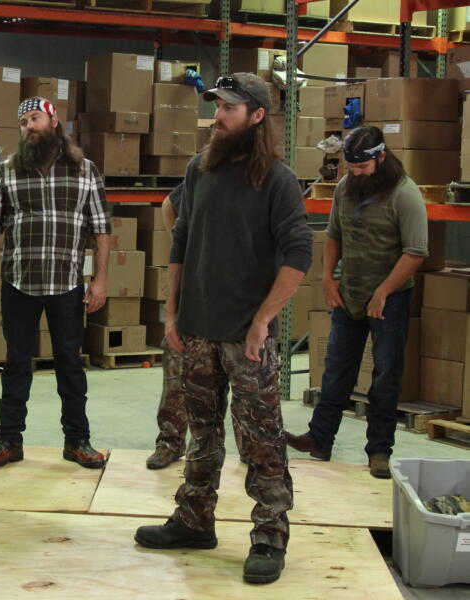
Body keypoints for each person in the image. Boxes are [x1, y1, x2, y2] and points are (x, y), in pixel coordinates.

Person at [133, 74, 313, 585]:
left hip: (244, 335)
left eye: (229, 108)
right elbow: (180, 243)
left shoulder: (275, 179)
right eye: (217, 106)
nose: (218, 116)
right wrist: (171, 313)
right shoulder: (200, 169)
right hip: (197, 330)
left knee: (260, 438)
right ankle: (193, 520)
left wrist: (262, 322)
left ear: (257, 115)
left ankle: (269, 535)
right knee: (202, 432)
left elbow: (299, 254)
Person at [0, 97, 111, 470]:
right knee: (16, 364)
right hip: (20, 283)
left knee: (70, 364)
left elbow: (101, 230)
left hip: (67, 284)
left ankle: (77, 441)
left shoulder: (85, 170)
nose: (28, 126)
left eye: (34, 118)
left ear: (54, 121)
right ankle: (8, 440)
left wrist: (99, 281)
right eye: (22, 122)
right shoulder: (7, 170)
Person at [286, 126, 428, 479]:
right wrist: (327, 277)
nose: (355, 174)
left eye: (361, 168)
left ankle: (379, 450)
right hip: (349, 294)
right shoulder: (346, 189)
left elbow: (415, 252)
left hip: (390, 299)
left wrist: (383, 292)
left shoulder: (405, 194)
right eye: (350, 168)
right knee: (335, 370)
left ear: (381, 157)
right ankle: (319, 439)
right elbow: (334, 234)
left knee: (385, 376)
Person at [146, 186, 188, 470]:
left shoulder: (261, 176)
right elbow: (168, 203)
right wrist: (178, 237)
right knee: (176, 369)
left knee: (245, 379)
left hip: (242, 297)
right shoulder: (202, 171)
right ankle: (170, 442)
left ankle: (251, 449)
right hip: (193, 289)